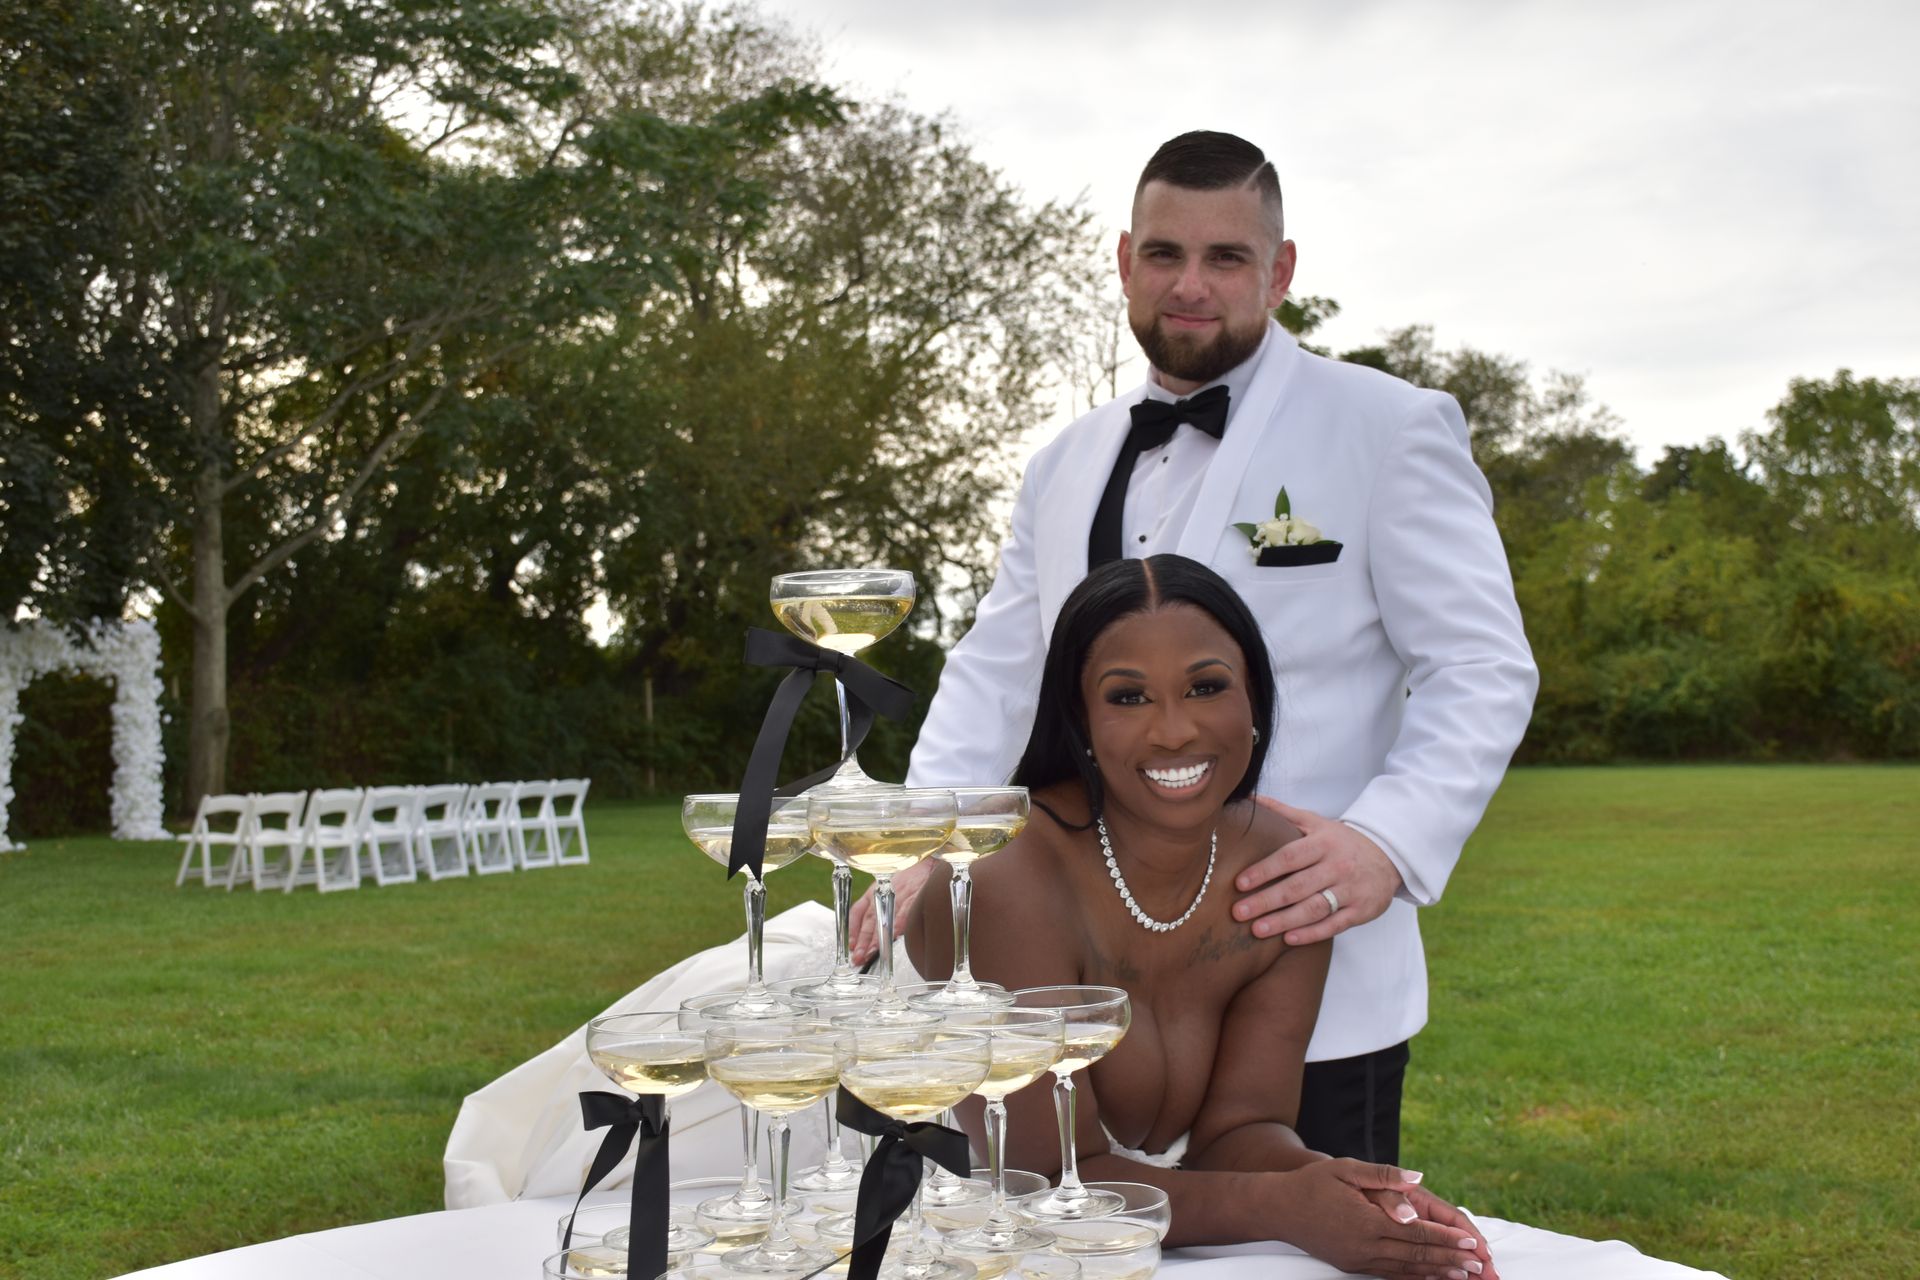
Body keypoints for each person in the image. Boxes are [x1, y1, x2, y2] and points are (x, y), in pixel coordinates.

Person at [856, 129, 1538, 1163]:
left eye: (1227, 257)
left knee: (1299, 1252)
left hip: (1302, 969)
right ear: (1126, 260)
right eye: (1166, 254)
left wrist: (1388, 840)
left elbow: (1484, 664)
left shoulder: (1390, 427)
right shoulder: (1060, 463)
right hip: (1072, 984)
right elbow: (998, 677)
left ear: (1281, 270)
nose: (1191, 284)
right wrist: (922, 846)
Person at [903, 554, 1497, 1280]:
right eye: (1128, 698)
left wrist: (1347, 1190)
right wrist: (1284, 1210)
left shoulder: (1282, 870)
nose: (1175, 731)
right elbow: (1050, 1186)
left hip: (1155, 1241)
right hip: (971, 1239)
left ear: (1255, 706)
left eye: (1206, 687)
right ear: (1081, 721)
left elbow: (1239, 1133)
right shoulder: (1004, 882)